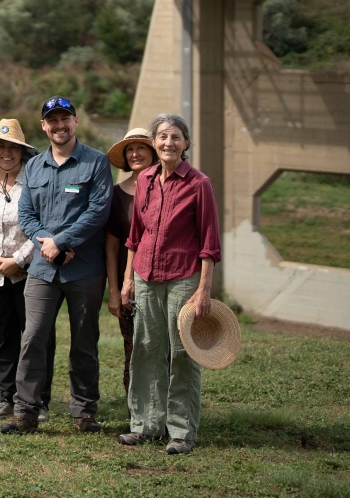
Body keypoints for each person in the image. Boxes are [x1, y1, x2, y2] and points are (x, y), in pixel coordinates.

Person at [1, 96, 112, 434]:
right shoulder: (33, 166)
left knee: (84, 341)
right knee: (32, 338)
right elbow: (26, 214)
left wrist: (62, 242)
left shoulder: (96, 163)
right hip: (43, 270)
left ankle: (84, 413)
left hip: (85, 269)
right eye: (53, 120)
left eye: (66, 119)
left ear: (75, 122)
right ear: (44, 126)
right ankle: (26, 413)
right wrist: (47, 244)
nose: (59, 126)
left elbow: (98, 211)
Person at [118, 114, 221, 455]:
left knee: (181, 354)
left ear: (186, 144)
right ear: (154, 143)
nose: (168, 143)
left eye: (175, 137)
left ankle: (181, 431)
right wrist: (127, 279)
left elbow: (209, 243)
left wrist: (204, 289)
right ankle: (145, 426)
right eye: (162, 137)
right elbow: (135, 236)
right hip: (145, 275)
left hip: (183, 278)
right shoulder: (145, 179)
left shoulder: (199, 184)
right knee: (145, 350)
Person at [0, 118, 56, 419]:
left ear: (21, 151)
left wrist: (18, 260)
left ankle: (38, 400)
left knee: (35, 336)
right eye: (0, 146)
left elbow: (42, 228)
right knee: (2, 336)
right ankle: (7, 397)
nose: (6, 152)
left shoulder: (35, 185)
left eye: (12, 147)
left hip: (28, 274)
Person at [103, 127, 157, 401]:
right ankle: (136, 414)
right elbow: (111, 246)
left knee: (165, 350)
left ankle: (165, 415)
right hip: (129, 287)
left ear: (154, 152)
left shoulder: (169, 189)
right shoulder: (116, 194)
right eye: (130, 150)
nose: (135, 154)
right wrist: (114, 290)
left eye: (141, 148)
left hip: (162, 282)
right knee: (133, 350)